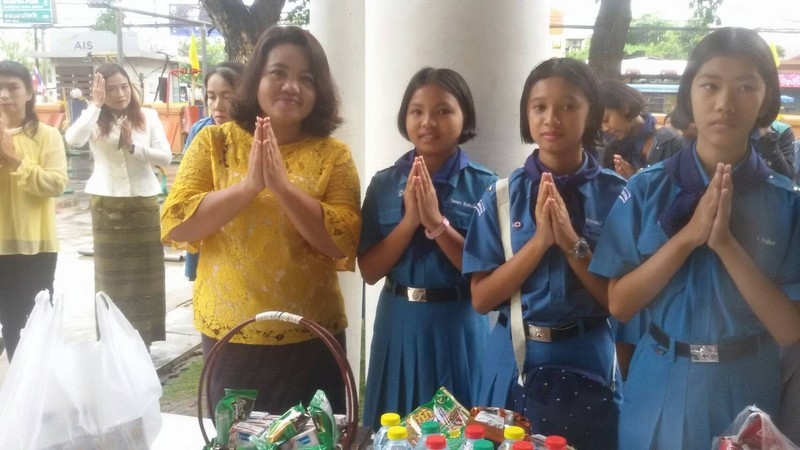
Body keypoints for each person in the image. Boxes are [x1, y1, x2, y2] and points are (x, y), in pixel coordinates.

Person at [589, 27, 800, 449]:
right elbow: (620, 303)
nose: (725, 103)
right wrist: (686, 238)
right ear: (690, 93)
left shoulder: (784, 202)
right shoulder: (646, 190)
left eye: (746, 87)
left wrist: (726, 245)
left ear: (765, 99)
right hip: (661, 376)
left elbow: (789, 328)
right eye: (710, 85)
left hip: (747, 383)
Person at [160, 25, 361, 414]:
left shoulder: (333, 155)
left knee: (316, 437)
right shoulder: (214, 143)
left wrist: (283, 189)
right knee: (238, 437)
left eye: (306, 78)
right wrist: (249, 186)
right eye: (278, 73)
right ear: (256, 79)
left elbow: (342, 240)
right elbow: (176, 223)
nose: (292, 86)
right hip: (232, 336)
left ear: (319, 89)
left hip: (311, 335)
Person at [462, 58, 626, 446]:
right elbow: (482, 299)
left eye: (568, 106)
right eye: (539, 107)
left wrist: (571, 243)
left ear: (591, 113)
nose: (552, 118)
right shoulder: (502, 196)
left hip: (587, 353)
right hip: (512, 355)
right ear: (527, 113)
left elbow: (617, 301)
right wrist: (538, 244)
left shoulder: (616, 195)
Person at [359, 67, 496, 429]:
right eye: (416, 111)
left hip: (458, 323)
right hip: (399, 320)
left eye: (443, 111)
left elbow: (488, 275)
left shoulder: (486, 187)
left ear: (464, 116)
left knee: (461, 431)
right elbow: (370, 271)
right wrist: (409, 223)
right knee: (394, 427)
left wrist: (436, 223)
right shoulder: (384, 184)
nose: (427, 122)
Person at [64, 63, 172, 349]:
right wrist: (95, 105)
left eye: (124, 87)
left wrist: (134, 147)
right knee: (110, 278)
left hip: (143, 204)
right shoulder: (93, 118)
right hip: (106, 204)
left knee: (145, 277)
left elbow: (165, 157)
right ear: (101, 92)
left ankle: (144, 341)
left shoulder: (147, 116)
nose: (120, 94)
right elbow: (73, 139)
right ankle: (113, 343)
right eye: (111, 89)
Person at [0, 60, 68, 362]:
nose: (4, 95)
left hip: (36, 247)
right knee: (9, 323)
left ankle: (37, 386)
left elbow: (55, 184)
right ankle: (17, 385)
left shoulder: (47, 135)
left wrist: (13, 158)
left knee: (35, 324)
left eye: (12, 87)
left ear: (29, 92)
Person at [182, 61, 245, 282]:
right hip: (204, 219)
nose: (218, 105)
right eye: (211, 96)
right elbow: (186, 182)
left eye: (227, 96)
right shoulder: (200, 130)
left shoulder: (255, 132)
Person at [598, 79, 686, 178]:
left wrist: (635, 181)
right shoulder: (612, 152)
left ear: (624, 107)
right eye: (599, 125)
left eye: (605, 120)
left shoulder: (671, 142)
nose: (604, 128)